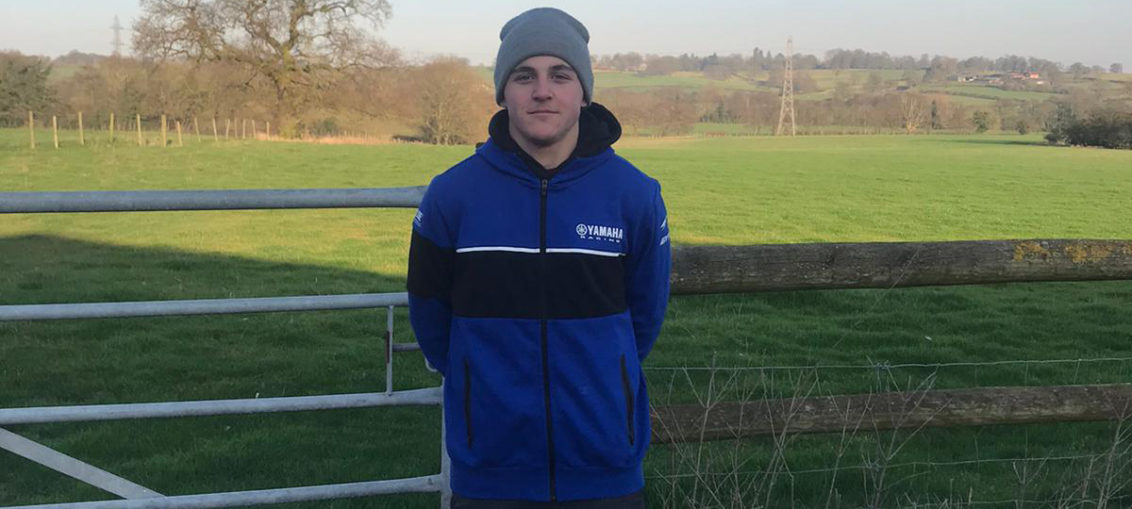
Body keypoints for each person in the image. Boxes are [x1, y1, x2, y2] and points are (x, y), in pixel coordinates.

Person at [407, 7, 671, 508]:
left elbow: (645, 317)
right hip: (490, 474)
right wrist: (474, 386)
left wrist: (606, 376)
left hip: (605, 471)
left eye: (560, 75)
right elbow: (430, 317)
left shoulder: (634, 195)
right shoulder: (452, 196)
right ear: (503, 92)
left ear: (584, 92)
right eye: (524, 76)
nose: (542, 91)